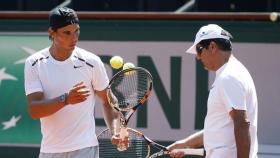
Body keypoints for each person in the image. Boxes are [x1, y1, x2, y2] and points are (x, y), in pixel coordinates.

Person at [24, 7, 120, 158]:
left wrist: (117, 130)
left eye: (76, 31)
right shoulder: (34, 63)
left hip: (85, 148)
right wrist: (66, 99)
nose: (74, 37)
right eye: (66, 33)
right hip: (50, 150)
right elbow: (35, 110)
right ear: (52, 32)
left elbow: (109, 102)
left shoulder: (91, 62)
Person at [167, 24, 258, 158]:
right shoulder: (232, 72)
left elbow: (242, 123)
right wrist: (186, 144)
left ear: (212, 47)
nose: (198, 57)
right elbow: (219, 128)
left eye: (199, 50)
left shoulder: (229, 76)